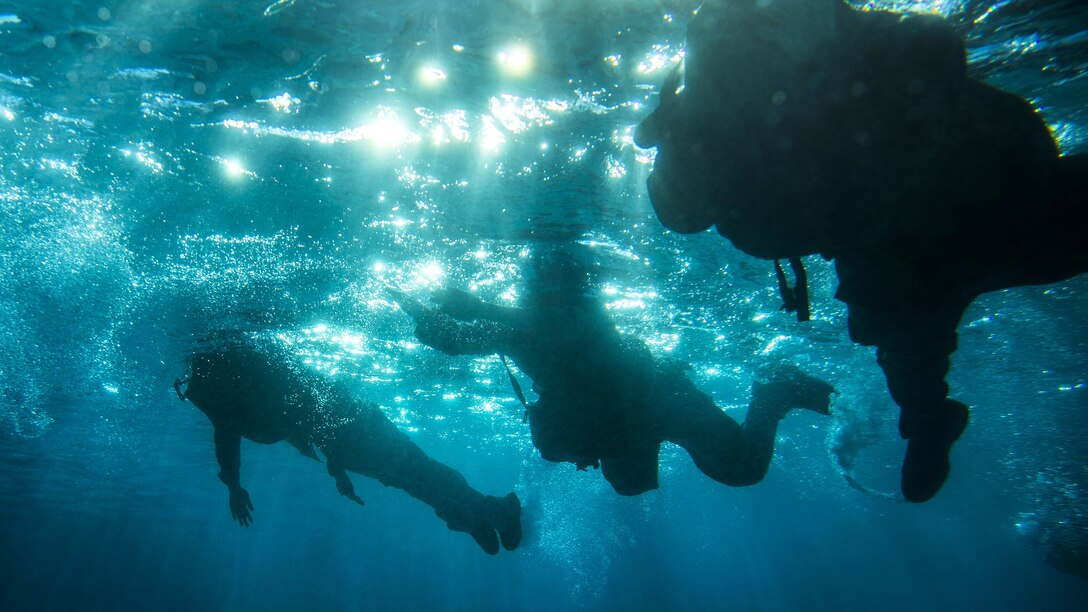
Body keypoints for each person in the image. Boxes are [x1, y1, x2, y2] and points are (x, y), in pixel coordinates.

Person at [633, 0, 1086, 502]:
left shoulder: (809, 48)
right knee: (900, 334)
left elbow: (933, 47)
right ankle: (928, 419)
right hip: (902, 242)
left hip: (980, 193)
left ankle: (928, 418)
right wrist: (677, 136)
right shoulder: (712, 102)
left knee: (904, 328)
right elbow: (683, 213)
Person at [390, 248, 836, 496]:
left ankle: (777, 392)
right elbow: (453, 339)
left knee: (742, 469)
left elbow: (557, 327)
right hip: (629, 416)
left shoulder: (536, 322)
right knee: (632, 485)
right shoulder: (515, 328)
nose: (552, 295)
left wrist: (469, 307)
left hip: (658, 395)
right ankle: (775, 393)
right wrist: (412, 302)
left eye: (560, 286)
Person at [174, 340, 522, 555]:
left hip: (357, 431)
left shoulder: (230, 383)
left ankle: (489, 512)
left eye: (192, 386)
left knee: (418, 473)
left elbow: (312, 407)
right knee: (413, 477)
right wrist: (336, 463)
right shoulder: (246, 378)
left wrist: (335, 464)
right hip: (354, 437)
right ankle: (474, 515)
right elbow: (303, 415)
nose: (194, 395)